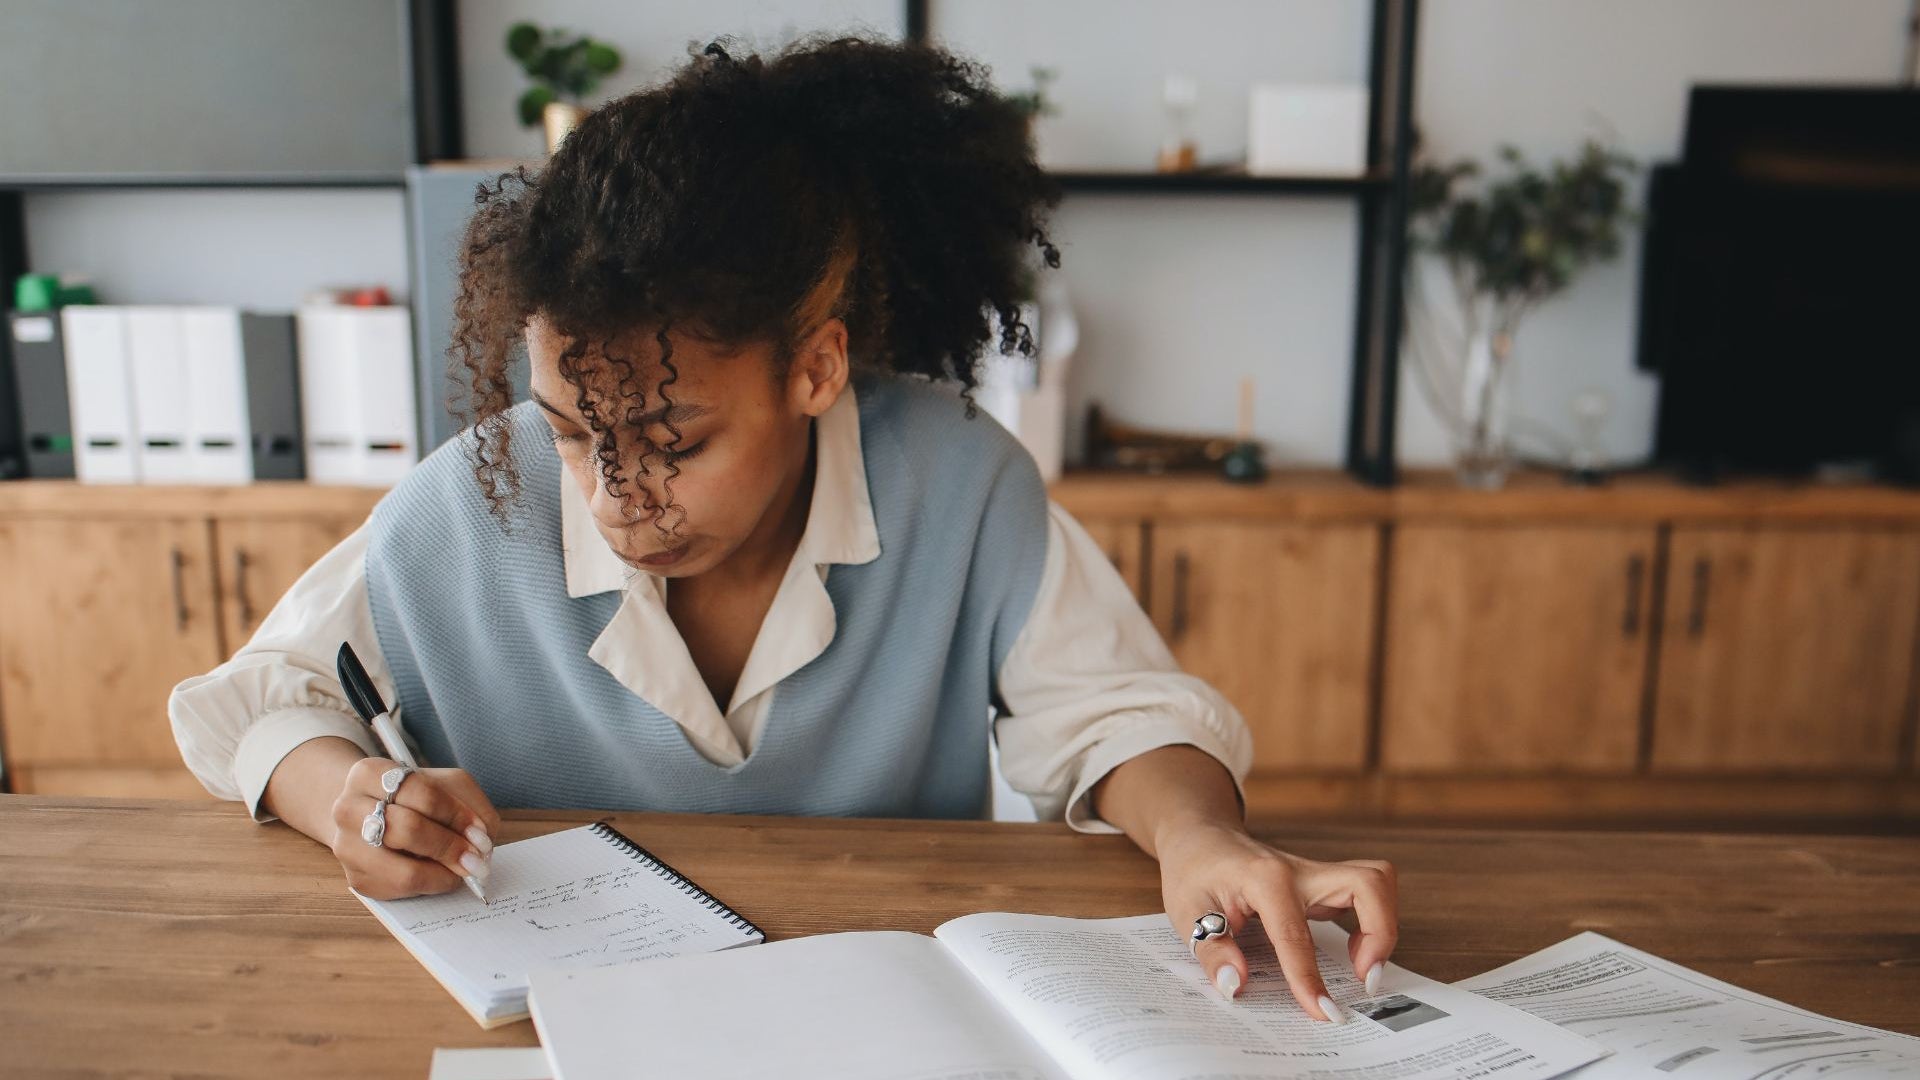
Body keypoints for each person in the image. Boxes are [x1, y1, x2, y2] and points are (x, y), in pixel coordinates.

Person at [168, 34, 1396, 1022]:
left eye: (675, 440)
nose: (615, 499)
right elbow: (254, 700)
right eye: (572, 431)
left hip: (877, 1025)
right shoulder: (468, 501)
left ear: (814, 371)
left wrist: (1199, 839)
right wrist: (345, 796)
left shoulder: (956, 482)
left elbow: (1114, 712)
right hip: (551, 1028)